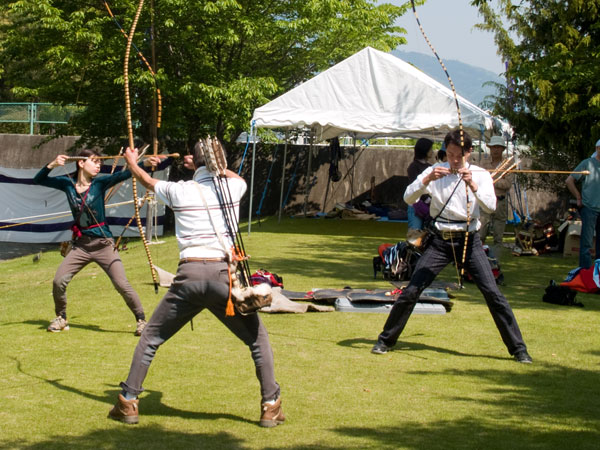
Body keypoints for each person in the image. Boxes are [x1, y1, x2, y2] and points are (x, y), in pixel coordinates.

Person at [108, 144, 284, 427]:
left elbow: (147, 181)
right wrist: (215, 164)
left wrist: (132, 162)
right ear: (219, 163)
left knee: (150, 338)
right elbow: (238, 179)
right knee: (257, 341)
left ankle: (128, 401)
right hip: (222, 276)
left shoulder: (179, 190)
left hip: (188, 276)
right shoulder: (232, 189)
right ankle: (270, 405)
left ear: (195, 163)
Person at [371, 129, 532, 364]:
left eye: (459, 155)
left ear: (469, 153)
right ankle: (385, 340)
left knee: (493, 294)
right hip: (439, 241)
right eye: (450, 154)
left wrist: (473, 185)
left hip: (469, 241)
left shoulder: (480, 174)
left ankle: (519, 350)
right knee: (413, 289)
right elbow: (408, 198)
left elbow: (490, 207)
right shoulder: (433, 172)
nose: (454, 160)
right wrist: (426, 180)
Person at [33, 149, 162, 335]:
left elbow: (124, 174)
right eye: (94, 161)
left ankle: (141, 320)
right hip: (81, 246)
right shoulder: (67, 184)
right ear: (80, 163)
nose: (98, 165)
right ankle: (61, 318)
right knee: (58, 281)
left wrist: (144, 164)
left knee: (121, 284)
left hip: (103, 244)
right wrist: (52, 165)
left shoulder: (100, 183)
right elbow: (39, 180)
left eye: (99, 162)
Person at [565, 139, 600, 268]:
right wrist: (578, 197)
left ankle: (598, 277)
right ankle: (584, 275)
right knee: (586, 244)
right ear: (597, 149)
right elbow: (569, 180)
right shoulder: (588, 163)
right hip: (589, 208)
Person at [479, 136, 513, 259]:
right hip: (485, 201)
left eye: (498, 147)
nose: (496, 150)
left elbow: (507, 184)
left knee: (498, 237)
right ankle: (478, 263)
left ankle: (495, 263)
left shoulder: (508, 165)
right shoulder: (484, 164)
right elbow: (479, 181)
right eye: (493, 147)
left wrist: (490, 179)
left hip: (500, 202)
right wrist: (495, 180)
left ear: (503, 149)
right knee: (480, 233)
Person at [406, 138, 434, 231]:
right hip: (416, 205)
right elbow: (413, 185)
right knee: (415, 233)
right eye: (430, 149)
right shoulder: (413, 166)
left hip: (428, 205)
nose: (432, 151)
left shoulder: (430, 167)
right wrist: (426, 199)